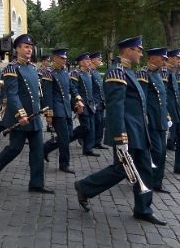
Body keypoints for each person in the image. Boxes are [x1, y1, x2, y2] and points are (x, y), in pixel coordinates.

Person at [74, 36, 166, 225]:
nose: (141, 53)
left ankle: (143, 209)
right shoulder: (117, 73)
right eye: (139, 50)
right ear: (129, 50)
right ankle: (85, 187)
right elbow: (116, 109)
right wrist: (120, 137)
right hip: (127, 132)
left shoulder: (128, 72)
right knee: (121, 170)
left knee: (144, 170)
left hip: (139, 131)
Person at [0, 34, 54, 194]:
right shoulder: (11, 68)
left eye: (30, 47)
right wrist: (20, 114)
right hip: (20, 117)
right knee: (15, 149)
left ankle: (36, 184)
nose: (29, 49)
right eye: (25, 46)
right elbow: (12, 94)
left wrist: (47, 112)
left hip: (35, 117)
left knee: (38, 151)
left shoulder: (32, 68)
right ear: (17, 49)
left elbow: (39, 93)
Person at [42, 48, 83, 173]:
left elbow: (72, 88)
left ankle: (45, 149)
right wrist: (48, 114)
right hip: (56, 110)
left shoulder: (65, 71)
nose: (64, 60)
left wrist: (78, 99)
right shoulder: (49, 73)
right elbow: (47, 96)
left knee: (69, 135)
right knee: (65, 138)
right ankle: (64, 164)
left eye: (65, 58)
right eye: (62, 58)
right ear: (55, 58)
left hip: (66, 109)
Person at [137, 48, 169, 193]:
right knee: (156, 151)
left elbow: (163, 98)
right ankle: (146, 179)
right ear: (153, 58)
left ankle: (157, 183)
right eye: (162, 58)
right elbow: (142, 98)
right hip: (151, 120)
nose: (164, 61)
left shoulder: (159, 74)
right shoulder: (144, 74)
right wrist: (145, 118)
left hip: (161, 119)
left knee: (162, 152)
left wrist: (166, 115)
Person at [71, 53, 99, 157]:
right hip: (82, 104)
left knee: (91, 127)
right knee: (86, 126)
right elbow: (73, 88)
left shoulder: (89, 72)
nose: (90, 62)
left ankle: (88, 149)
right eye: (87, 61)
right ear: (81, 62)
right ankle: (68, 138)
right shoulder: (76, 73)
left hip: (90, 104)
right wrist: (78, 100)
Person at [161, 50, 180, 174]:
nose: (179, 61)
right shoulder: (164, 72)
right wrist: (166, 112)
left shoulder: (172, 72)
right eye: (177, 58)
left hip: (175, 111)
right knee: (163, 141)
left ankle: (178, 166)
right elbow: (162, 95)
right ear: (171, 58)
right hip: (169, 112)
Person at [90, 52, 108, 150]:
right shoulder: (90, 72)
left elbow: (101, 87)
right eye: (99, 59)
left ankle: (98, 142)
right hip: (95, 102)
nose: (100, 61)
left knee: (100, 123)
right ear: (92, 60)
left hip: (100, 101)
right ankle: (90, 141)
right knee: (95, 123)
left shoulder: (96, 72)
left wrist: (104, 99)